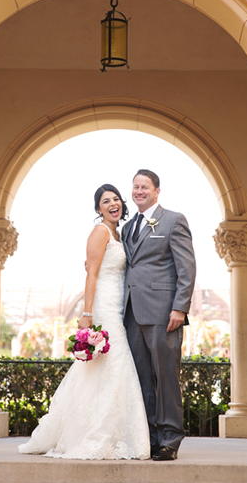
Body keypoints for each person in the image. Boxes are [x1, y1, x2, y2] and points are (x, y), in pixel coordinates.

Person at [19, 184, 150, 460]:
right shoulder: (100, 232)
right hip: (102, 307)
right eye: (106, 201)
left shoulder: (120, 233)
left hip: (118, 305)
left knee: (104, 371)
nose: (113, 204)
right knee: (115, 364)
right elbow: (91, 275)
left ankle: (113, 431)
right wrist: (87, 315)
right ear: (98, 208)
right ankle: (96, 433)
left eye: (116, 199)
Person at [122, 169, 196, 461]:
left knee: (165, 377)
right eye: (136, 187)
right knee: (141, 378)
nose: (139, 191)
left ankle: (170, 439)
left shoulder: (173, 220)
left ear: (157, 191)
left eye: (145, 187)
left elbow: (186, 267)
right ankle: (150, 438)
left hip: (164, 312)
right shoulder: (128, 227)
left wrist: (180, 307)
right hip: (131, 314)